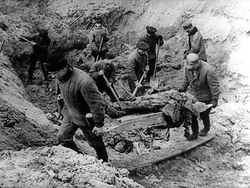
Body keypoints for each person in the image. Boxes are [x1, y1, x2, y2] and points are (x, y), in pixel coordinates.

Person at [44, 52, 108, 162]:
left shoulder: (84, 82)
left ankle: (104, 162)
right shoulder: (60, 77)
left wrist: (99, 124)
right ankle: (79, 160)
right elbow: (59, 95)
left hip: (86, 117)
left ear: (64, 67)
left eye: (55, 73)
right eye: (52, 74)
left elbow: (97, 103)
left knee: (95, 143)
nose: (53, 76)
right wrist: (60, 111)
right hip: (70, 112)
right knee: (62, 137)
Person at [178, 53, 220, 140]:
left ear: (198, 63)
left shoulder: (208, 70)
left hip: (206, 96)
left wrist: (214, 99)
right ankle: (195, 133)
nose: (191, 69)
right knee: (192, 115)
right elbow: (186, 79)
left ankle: (206, 128)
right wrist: (181, 89)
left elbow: (214, 86)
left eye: (193, 66)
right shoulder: (188, 68)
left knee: (204, 115)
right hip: (193, 95)